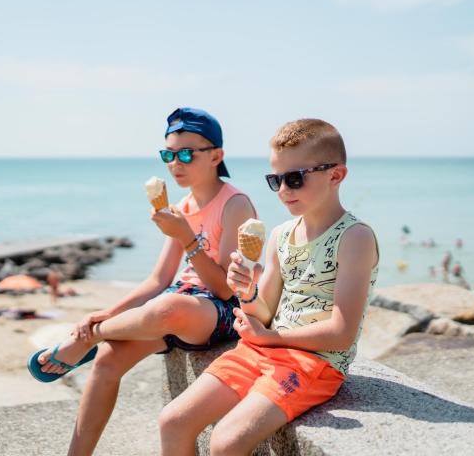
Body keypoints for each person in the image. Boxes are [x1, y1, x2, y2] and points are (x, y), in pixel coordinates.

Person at [27, 107, 257, 455]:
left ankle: (84, 344)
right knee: (107, 360)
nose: (174, 163)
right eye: (168, 154)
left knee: (166, 307)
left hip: (221, 309)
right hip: (181, 302)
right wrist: (105, 314)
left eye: (185, 153)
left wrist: (187, 239)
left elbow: (225, 288)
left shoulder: (235, 204)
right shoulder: (182, 205)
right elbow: (159, 278)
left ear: (216, 156)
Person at [157, 118, 379, 455]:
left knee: (226, 442)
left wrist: (270, 336)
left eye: (295, 179)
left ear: (336, 175)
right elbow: (266, 311)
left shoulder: (354, 237)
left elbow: (342, 333)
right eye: (275, 180)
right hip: (262, 350)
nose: (284, 191)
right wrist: (247, 292)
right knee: (172, 421)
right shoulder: (280, 235)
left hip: (315, 362)